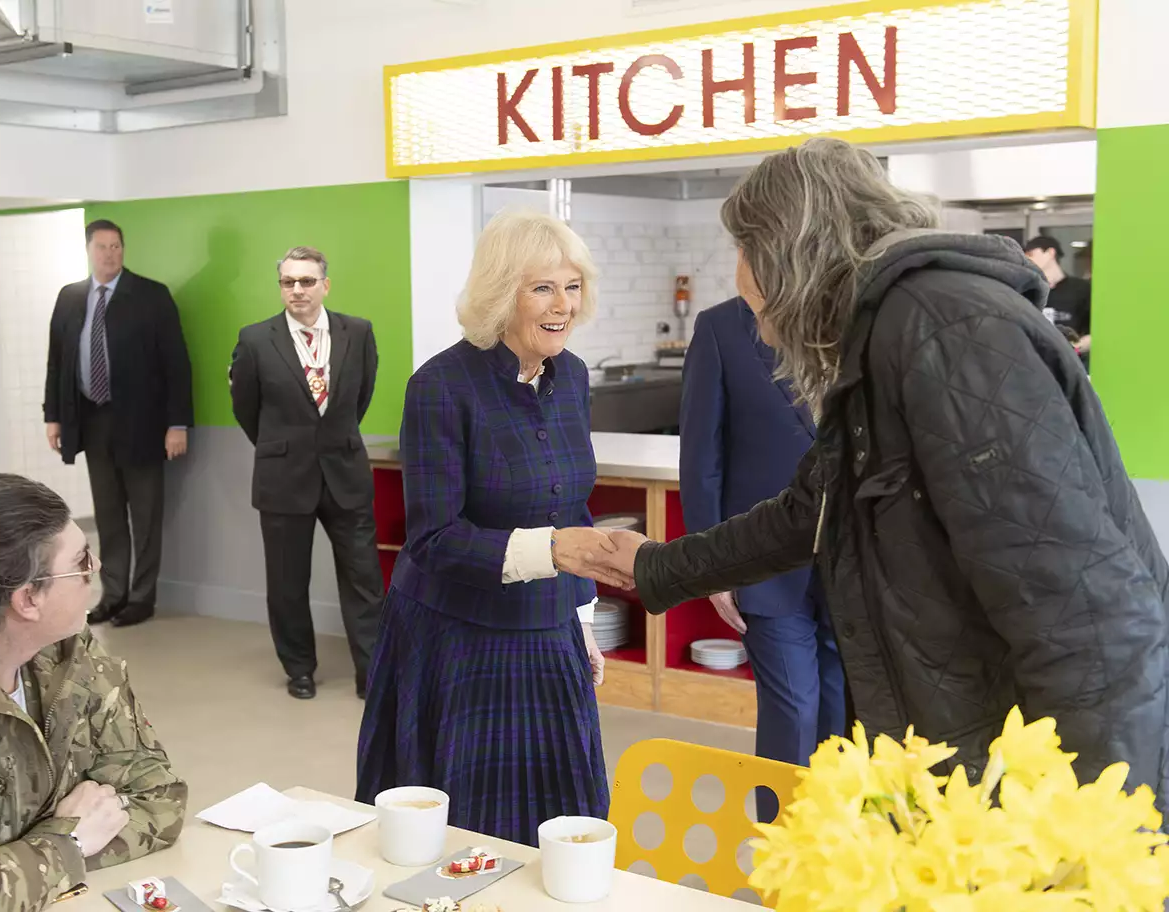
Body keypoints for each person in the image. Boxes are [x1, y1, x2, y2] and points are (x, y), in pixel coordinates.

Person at [589, 138, 1169, 810]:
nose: (741, 286)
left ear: (787, 252)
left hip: (1023, 791)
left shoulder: (941, 328)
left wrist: (1108, 839)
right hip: (957, 758)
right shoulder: (886, 333)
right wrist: (659, 566)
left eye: (740, 254)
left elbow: (1083, 613)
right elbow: (813, 507)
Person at [355, 210, 628, 847]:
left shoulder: (574, 377)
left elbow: (571, 507)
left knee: (563, 821)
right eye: (543, 288)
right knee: (463, 830)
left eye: (572, 286)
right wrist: (554, 550)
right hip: (457, 636)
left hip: (548, 627)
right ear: (502, 293)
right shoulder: (441, 387)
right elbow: (433, 538)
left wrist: (581, 622)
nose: (563, 305)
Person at [0, 473, 187, 912]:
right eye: (82, 561)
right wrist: (65, 841)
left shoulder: (69, 652)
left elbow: (159, 798)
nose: (98, 568)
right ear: (28, 598)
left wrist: (14, 868)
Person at [679, 296, 844, 818]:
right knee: (794, 709)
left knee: (844, 709)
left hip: (854, 559)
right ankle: (781, 858)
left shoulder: (860, 310)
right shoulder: (720, 328)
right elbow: (701, 457)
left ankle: (837, 853)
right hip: (765, 561)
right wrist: (712, 564)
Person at [229, 247, 385, 700]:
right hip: (283, 477)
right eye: (288, 282)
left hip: (345, 471)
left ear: (324, 285)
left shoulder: (357, 332)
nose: (297, 290)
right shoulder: (256, 339)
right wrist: (283, 446)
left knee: (364, 580)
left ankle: (371, 672)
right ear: (281, 286)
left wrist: (330, 438)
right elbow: (246, 410)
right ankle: (299, 668)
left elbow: (361, 397)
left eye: (306, 281)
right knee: (287, 583)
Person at [43, 219, 193, 629]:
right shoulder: (71, 297)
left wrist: (177, 423)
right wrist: (52, 415)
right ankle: (113, 594)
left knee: (145, 515)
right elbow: (58, 361)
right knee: (108, 515)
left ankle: (142, 598)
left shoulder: (150, 295)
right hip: (91, 420)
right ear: (89, 251)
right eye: (102, 247)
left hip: (143, 424)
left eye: (116, 246)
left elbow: (176, 364)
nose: (110, 254)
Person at [1024, 235, 1092, 367]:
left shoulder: (1081, 289)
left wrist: (1073, 348)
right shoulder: (1027, 290)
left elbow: (1094, 333)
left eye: (1031, 254)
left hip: (1072, 366)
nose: (1027, 259)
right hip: (1034, 365)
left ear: (1050, 253)